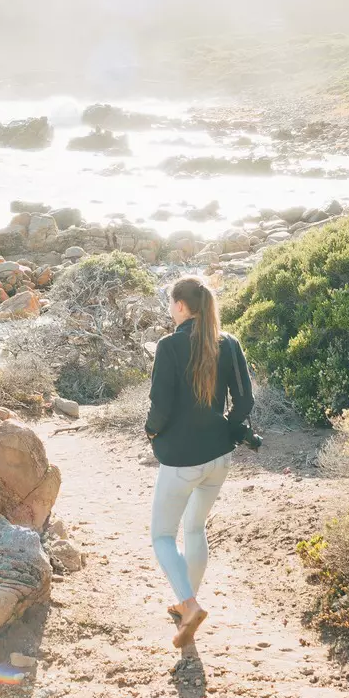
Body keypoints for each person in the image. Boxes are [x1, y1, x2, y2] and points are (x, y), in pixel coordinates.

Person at [144, 276, 253, 649]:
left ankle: (189, 605)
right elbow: (243, 403)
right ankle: (185, 602)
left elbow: (160, 406)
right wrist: (231, 428)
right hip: (219, 457)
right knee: (194, 529)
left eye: (170, 303)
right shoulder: (228, 342)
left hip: (181, 460)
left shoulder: (169, 346)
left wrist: (152, 433)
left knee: (161, 536)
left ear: (180, 306)